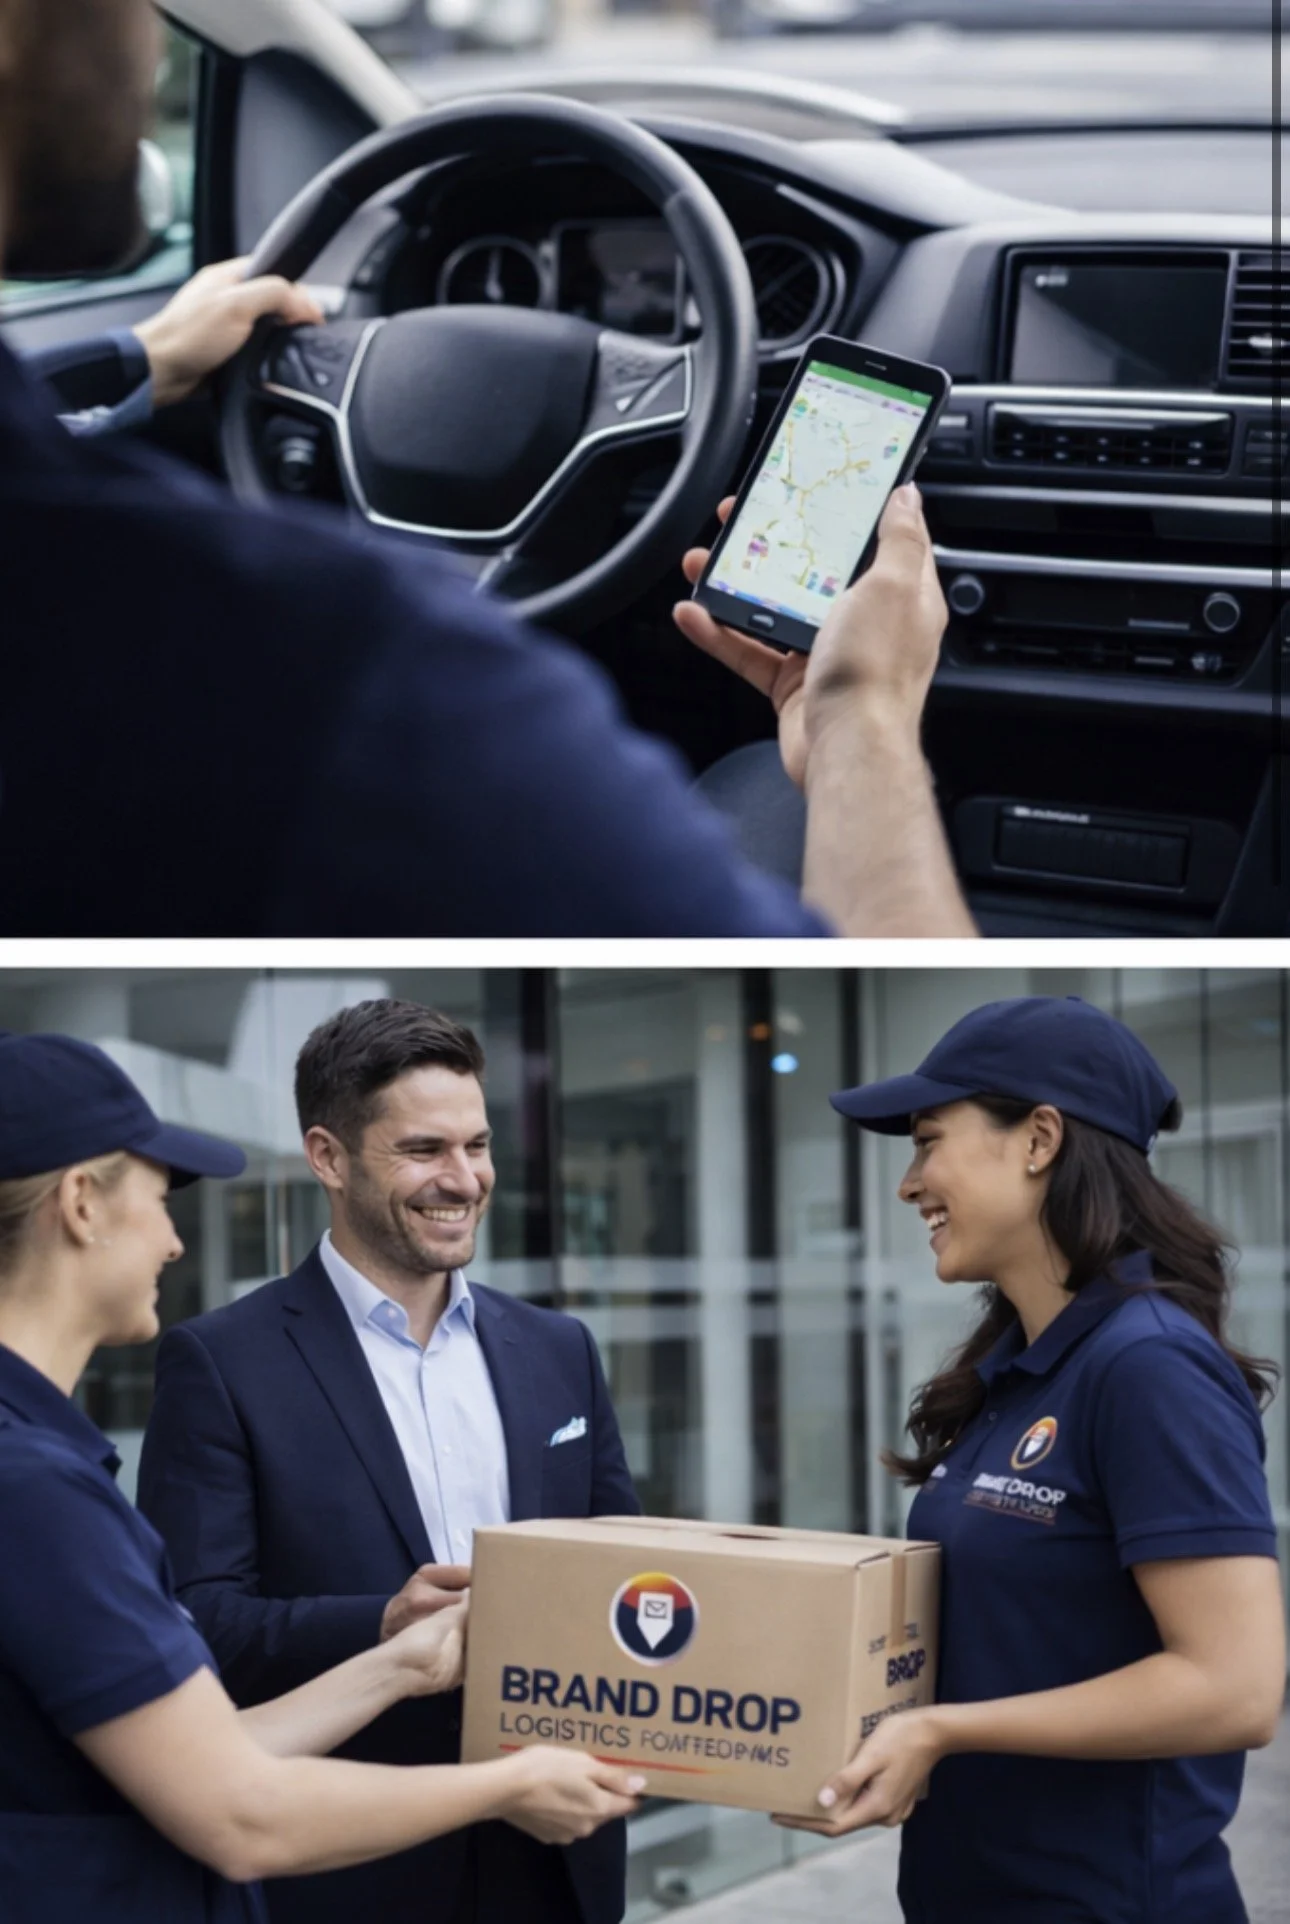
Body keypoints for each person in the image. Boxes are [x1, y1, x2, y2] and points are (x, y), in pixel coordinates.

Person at [0, 0, 976, 940]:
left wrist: (132, 360)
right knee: (769, 774)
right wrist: (862, 719)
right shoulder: (356, 671)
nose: (152, 47)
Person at [0, 1030, 644, 1924]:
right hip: (343, 1877)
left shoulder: (557, 1349)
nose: (177, 1241)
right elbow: (231, 1789)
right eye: (423, 1150)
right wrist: (391, 1636)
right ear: (328, 1159)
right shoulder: (52, 1472)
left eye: (478, 1146)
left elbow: (214, 1751)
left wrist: (402, 1663)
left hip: (550, 1862)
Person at [778, 995, 1285, 1924]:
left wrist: (940, 1731)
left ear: (1039, 1138)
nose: (909, 1182)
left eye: (929, 1140)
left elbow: (1237, 1687)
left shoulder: (1147, 1365)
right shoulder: (1020, 1369)